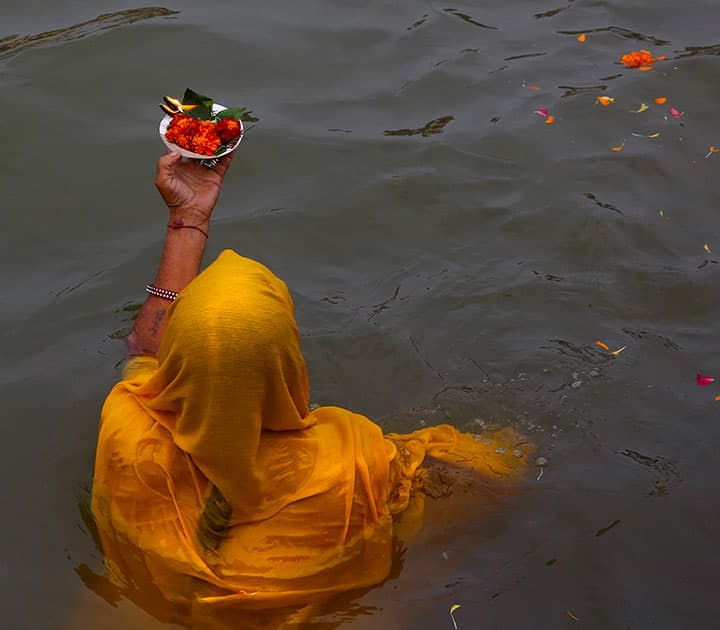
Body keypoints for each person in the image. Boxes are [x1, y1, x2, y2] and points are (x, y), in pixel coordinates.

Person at [86, 151, 530, 627]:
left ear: (177, 360)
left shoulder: (128, 432)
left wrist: (187, 221)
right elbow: (503, 472)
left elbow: (144, 348)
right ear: (288, 361)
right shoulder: (356, 464)